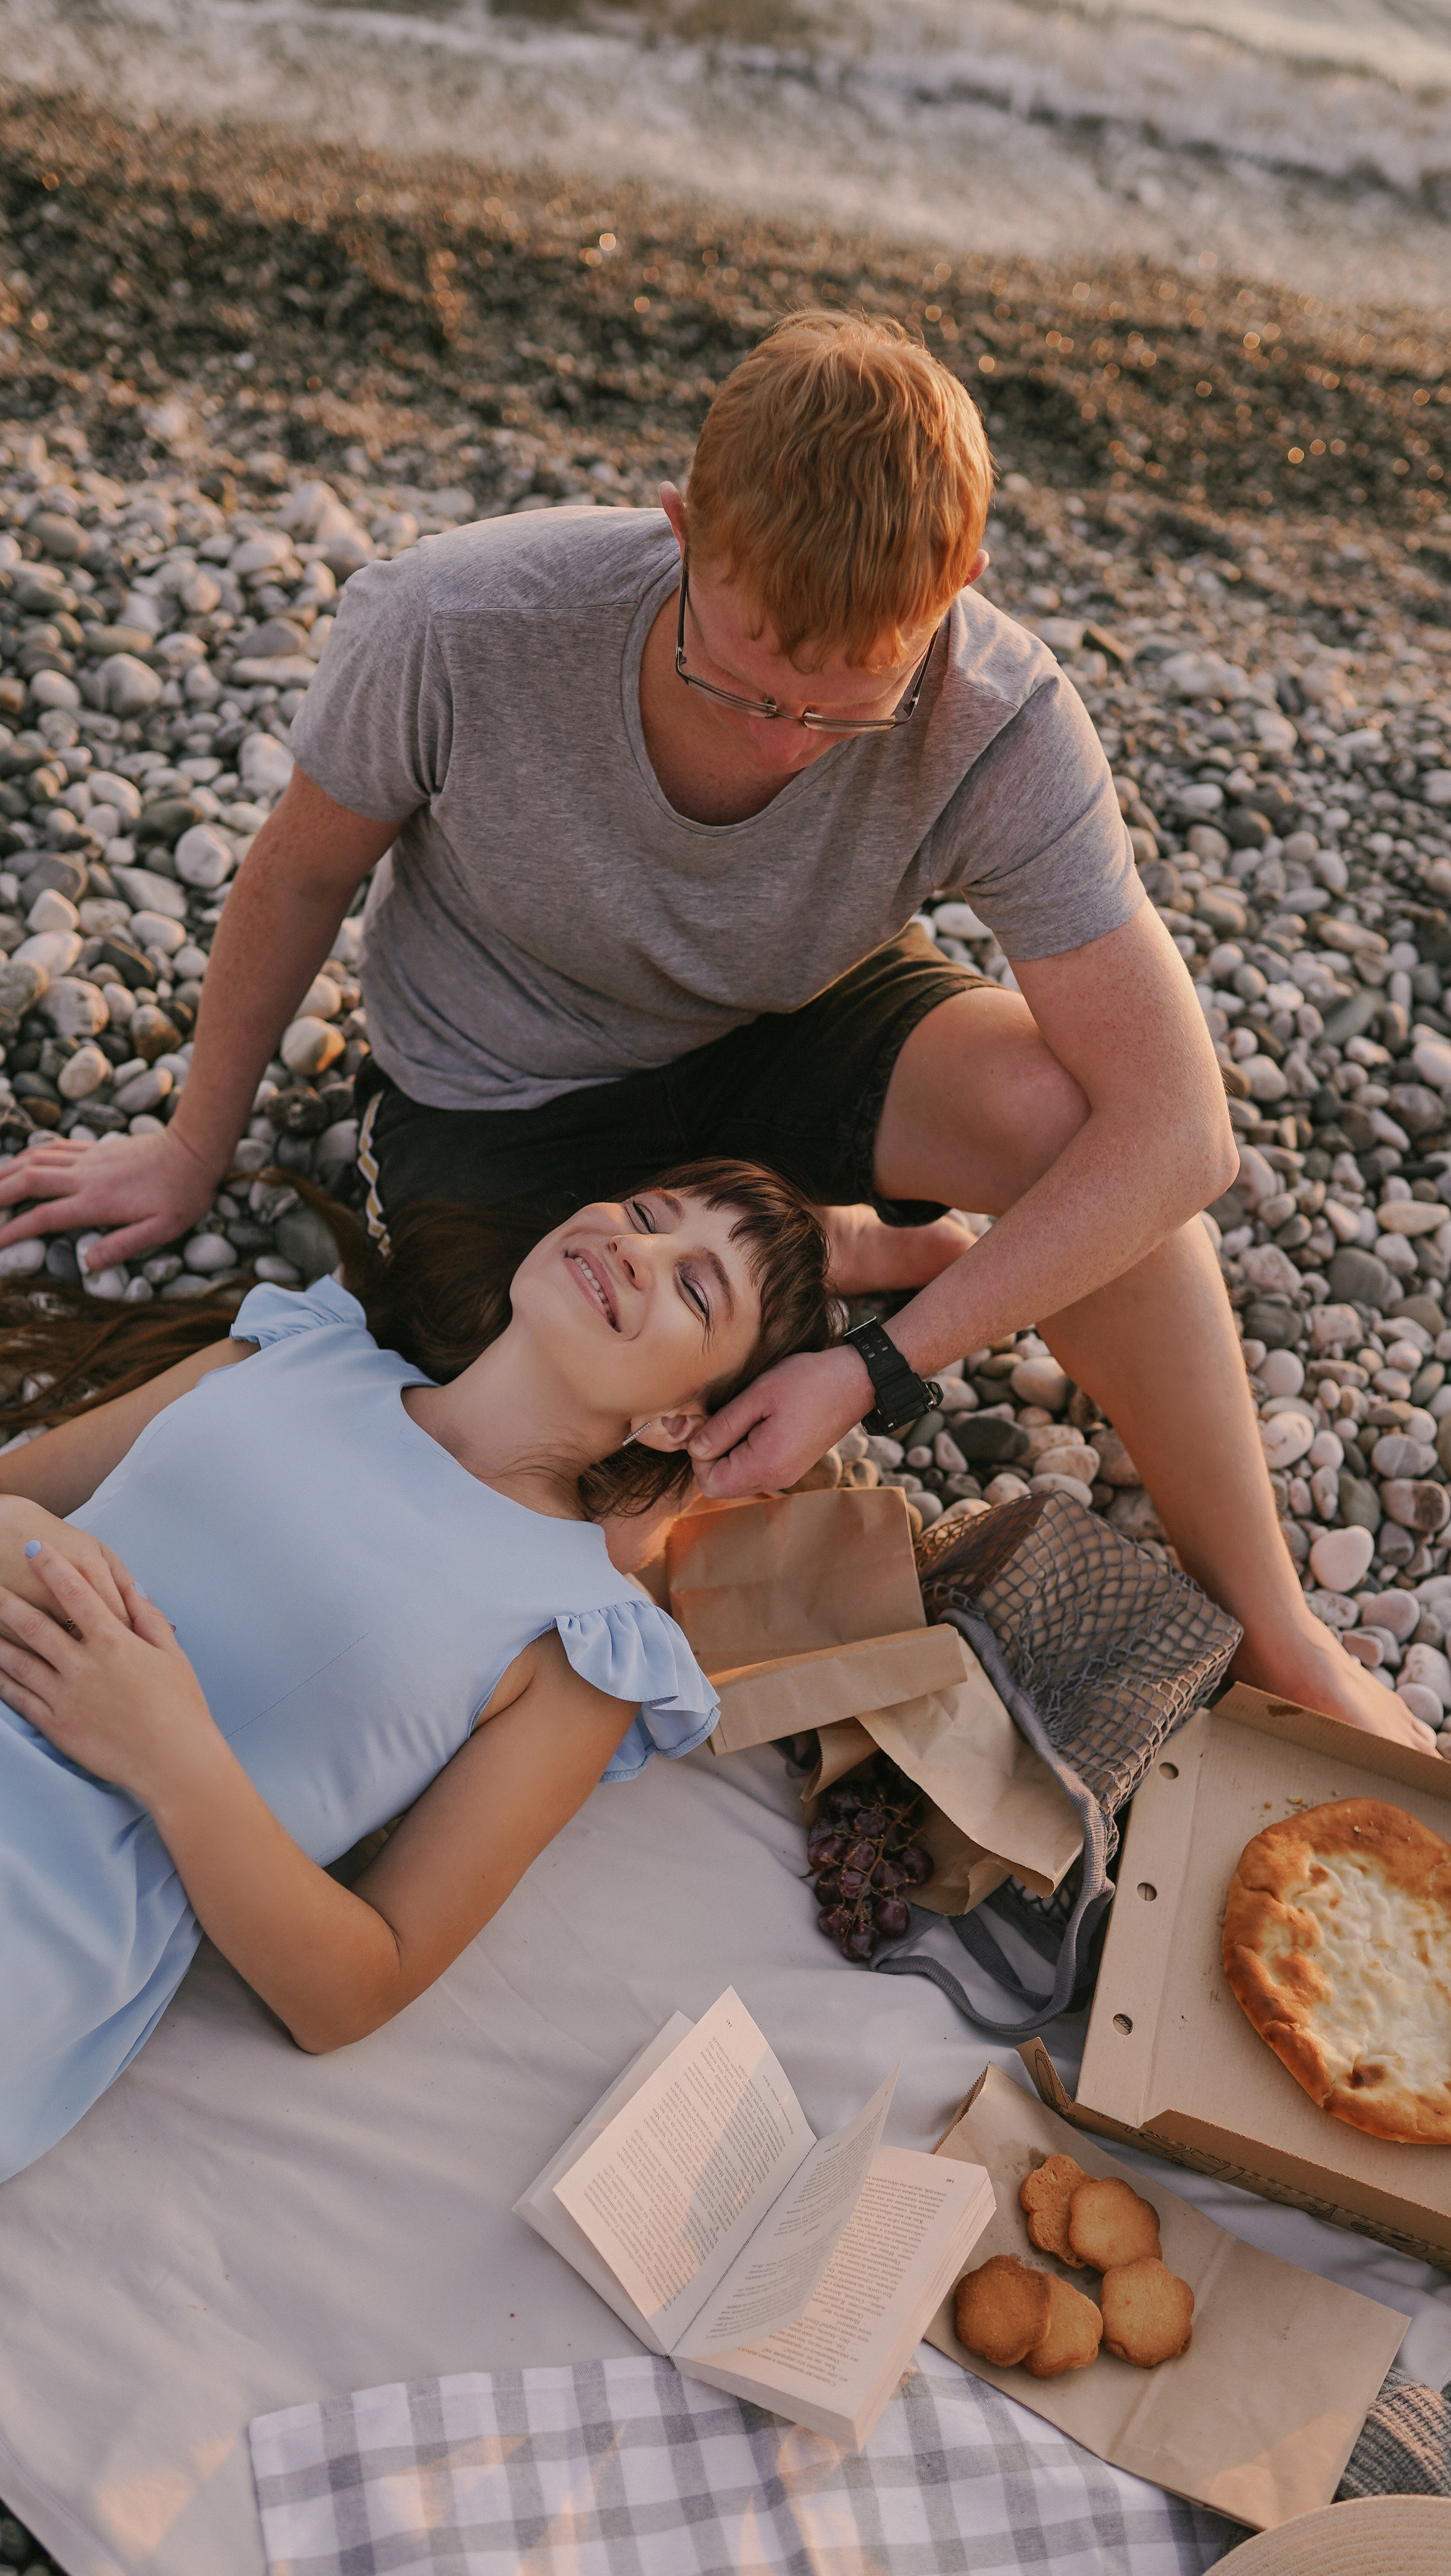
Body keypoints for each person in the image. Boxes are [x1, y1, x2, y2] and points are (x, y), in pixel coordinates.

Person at [0, 313, 1428, 1753]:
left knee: (1072, 1127)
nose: (786, 742)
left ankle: (1267, 1614)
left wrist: (877, 1366)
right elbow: (300, 870)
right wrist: (192, 1147)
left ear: (957, 588)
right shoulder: (460, 620)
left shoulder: (999, 713)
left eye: (848, 700)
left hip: (787, 1020)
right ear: (682, 531)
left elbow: (1177, 1131)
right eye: (744, 677)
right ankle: (835, 1241)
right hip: (504, 1080)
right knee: (540, 1451)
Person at [0, 1159, 832, 2180]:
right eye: (647, 1213)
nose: (637, 1248)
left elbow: (354, 1993)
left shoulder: (579, 1646)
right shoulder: (289, 1354)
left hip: (41, 1904)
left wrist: (173, 1756)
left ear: (676, 1423)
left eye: (697, 1288)